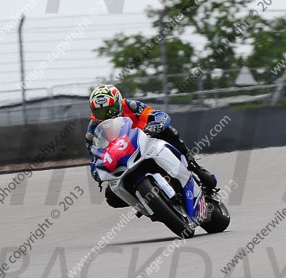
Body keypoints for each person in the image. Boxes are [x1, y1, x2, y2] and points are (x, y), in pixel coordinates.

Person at [85, 84, 217, 208]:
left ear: (119, 103)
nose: (107, 116)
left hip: (148, 140)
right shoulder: (93, 129)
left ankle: (193, 165)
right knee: (111, 197)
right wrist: (96, 171)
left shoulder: (131, 106)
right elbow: (95, 157)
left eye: (110, 110)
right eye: (100, 113)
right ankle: (146, 204)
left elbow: (160, 115)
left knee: (168, 131)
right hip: (124, 158)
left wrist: (156, 125)